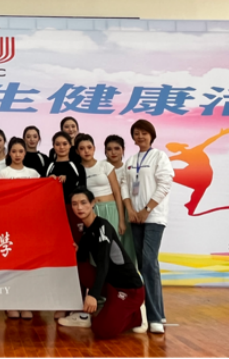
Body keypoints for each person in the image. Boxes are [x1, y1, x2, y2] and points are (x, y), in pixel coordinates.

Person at [58, 189, 147, 339]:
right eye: (74, 204)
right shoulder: (87, 230)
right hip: (111, 284)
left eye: (83, 203)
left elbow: (103, 263)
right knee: (77, 267)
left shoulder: (102, 227)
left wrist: (93, 295)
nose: (79, 207)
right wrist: (72, 249)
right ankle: (83, 315)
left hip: (129, 289)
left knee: (101, 330)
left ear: (93, 203)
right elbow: (81, 259)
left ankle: (137, 316)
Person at [120, 120, 174, 335]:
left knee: (149, 263)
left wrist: (146, 210)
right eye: (136, 133)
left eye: (144, 133)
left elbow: (165, 184)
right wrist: (130, 210)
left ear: (151, 135)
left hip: (154, 218)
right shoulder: (131, 160)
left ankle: (154, 318)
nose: (140, 136)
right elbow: (125, 186)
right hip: (135, 218)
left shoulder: (159, 157)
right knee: (144, 265)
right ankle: (157, 313)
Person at [75, 134, 136, 265]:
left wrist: (121, 220)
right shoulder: (77, 169)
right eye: (82, 148)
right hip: (91, 212)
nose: (86, 151)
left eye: (89, 147)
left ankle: (118, 277)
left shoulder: (105, 166)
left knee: (114, 248)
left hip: (111, 209)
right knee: (96, 249)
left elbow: (117, 193)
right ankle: (101, 277)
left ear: (94, 148)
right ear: (77, 151)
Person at [0, 137, 39, 321]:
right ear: (9, 153)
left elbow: (40, 196)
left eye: (21, 151)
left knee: (27, 265)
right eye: (14, 151)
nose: (17, 155)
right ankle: (10, 303)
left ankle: (26, 302)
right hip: (8, 223)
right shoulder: (2, 174)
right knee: (10, 264)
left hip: (28, 224)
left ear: (25, 153)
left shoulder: (33, 174)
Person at [46, 131, 87, 321]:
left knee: (77, 255)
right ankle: (61, 303)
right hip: (53, 215)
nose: (61, 147)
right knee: (58, 258)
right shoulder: (49, 166)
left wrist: (67, 181)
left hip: (73, 214)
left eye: (64, 144)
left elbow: (83, 192)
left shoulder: (77, 167)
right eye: (57, 144)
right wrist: (50, 181)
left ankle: (78, 302)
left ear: (70, 145)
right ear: (53, 146)